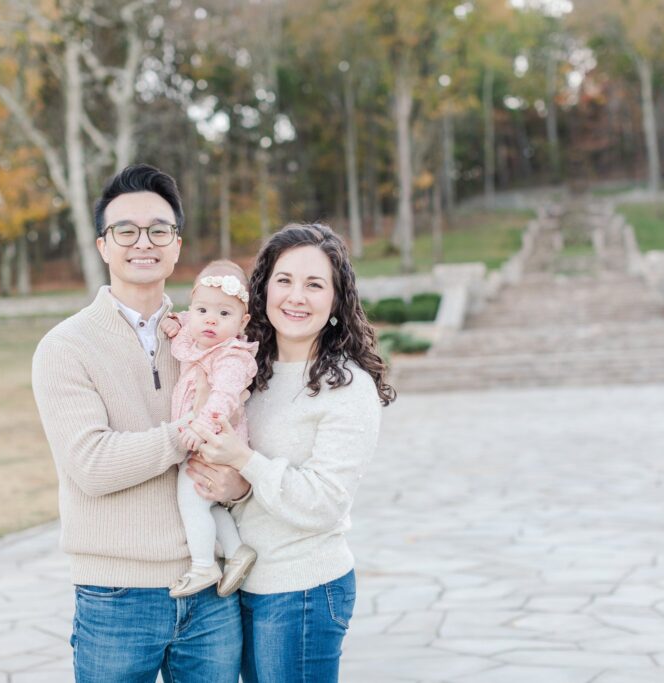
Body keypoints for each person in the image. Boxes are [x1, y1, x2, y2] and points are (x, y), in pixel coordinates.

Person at [31, 164, 249, 683]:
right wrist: (186, 434)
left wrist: (239, 483)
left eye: (158, 230)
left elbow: (239, 442)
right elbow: (93, 466)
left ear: (176, 246)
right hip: (115, 596)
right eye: (125, 231)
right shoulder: (65, 348)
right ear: (104, 245)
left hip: (212, 591)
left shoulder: (212, 338)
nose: (142, 243)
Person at [187, 223, 396, 682]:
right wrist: (238, 488)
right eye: (284, 280)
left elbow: (323, 504)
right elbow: (247, 491)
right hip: (240, 588)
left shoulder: (348, 387)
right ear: (262, 290)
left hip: (302, 591)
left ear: (337, 300)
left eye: (314, 284)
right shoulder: (246, 370)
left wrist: (244, 461)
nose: (296, 296)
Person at [159, 260, 259, 598]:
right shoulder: (202, 335)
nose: (211, 320)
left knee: (190, 496)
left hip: (215, 441)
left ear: (243, 321)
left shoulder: (232, 357)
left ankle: (203, 565)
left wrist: (200, 426)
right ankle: (235, 551)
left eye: (224, 314)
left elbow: (224, 398)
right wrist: (178, 324)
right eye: (202, 310)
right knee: (208, 501)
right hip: (205, 442)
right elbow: (193, 321)